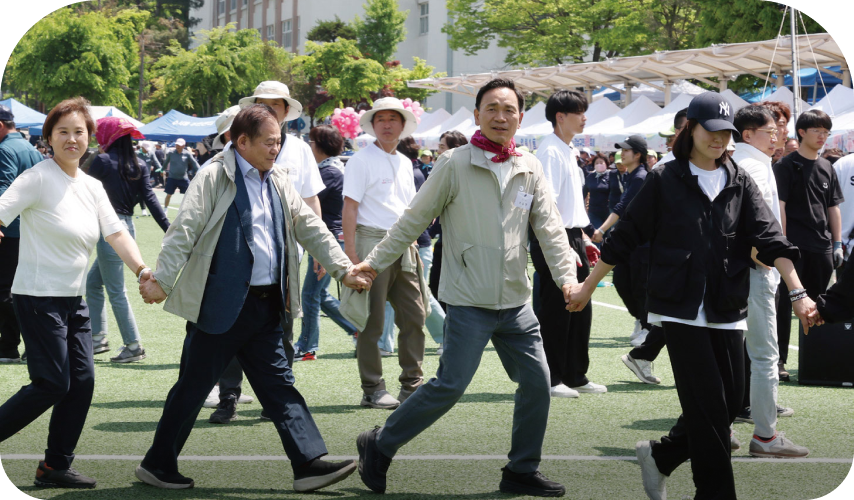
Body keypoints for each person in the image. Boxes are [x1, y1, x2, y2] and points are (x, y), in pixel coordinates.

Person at [568, 91, 816, 500]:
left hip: (727, 308)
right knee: (707, 407)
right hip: (680, 310)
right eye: (711, 131)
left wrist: (799, 293)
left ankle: (662, 456)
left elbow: (772, 239)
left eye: (726, 133)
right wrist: (588, 286)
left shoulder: (738, 178)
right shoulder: (666, 178)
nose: (719, 140)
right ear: (692, 130)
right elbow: (626, 236)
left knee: (727, 403)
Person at [351, 78, 580, 497]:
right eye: (491, 108)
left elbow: (550, 229)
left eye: (509, 109)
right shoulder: (455, 162)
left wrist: (567, 279)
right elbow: (413, 220)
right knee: (450, 385)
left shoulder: (529, 166)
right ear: (476, 115)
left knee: (537, 382)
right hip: (468, 299)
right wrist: (372, 262)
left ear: (520, 118)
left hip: (515, 301)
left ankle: (521, 469)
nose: (500, 116)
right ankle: (380, 444)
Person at [135, 104, 369, 492]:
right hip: (220, 305)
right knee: (192, 387)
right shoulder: (213, 176)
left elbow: (309, 227)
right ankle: (158, 465)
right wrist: (161, 279)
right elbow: (184, 229)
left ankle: (309, 463)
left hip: (267, 304)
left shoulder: (277, 179)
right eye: (268, 142)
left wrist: (344, 267)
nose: (275, 149)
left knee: (279, 384)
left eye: (279, 142)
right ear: (241, 142)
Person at [0, 97, 149, 488]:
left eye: (78, 132)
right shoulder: (37, 177)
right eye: (62, 131)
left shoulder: (93, 187)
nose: (71, 139)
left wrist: (142, 270)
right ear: (48, 137)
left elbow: (115, 232)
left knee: (81, 382)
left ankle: (54, 467)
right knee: (52, 383)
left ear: (90, 138)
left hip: (73, 300)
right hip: (36, 297)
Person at [207, 83, 327, 421]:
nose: (272, 110)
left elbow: (310, 199)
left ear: (287, 112)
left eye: (278, 105)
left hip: (286, 256)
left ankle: (276, 398)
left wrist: (320, 251)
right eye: (265, 104)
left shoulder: (300, 150)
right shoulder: (237, 145)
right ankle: (228, 396)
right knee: (229, 322)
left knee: (283, 327)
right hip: (237, 255)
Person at [730, 105, 808, 458]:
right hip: (754, 272)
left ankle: (722, 426)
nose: (777, 134)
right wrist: (767, 263)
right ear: (748, 134)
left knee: (729, 353)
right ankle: (765, 435)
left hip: (737, 271)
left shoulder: (741, 161)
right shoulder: (754, 166)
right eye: (769, 130)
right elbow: (754, 228)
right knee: (763, 356)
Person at [341, 97, 428, 410]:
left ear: (403, 125)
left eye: (394, 119)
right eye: (382, 119)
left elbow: (408, 209)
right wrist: (351, 256)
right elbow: (349, 208)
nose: (388, 124)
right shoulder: (361, 160)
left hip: (404, 244)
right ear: (373, 125)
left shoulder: (405, 162)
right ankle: (373, 388)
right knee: (371, 322)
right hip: (370, 243)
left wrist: (413, 243)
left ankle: (412, 384)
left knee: (415, 317)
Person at [532, 90, 603, 399]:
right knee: (556, 310)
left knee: (580, 307)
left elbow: (571, 204)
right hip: (554, 236)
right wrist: (565, 243)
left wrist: (583, 238)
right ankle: (551, 378)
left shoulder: (567, 150)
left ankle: (575, 374)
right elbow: (546, 206)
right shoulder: (549, 151)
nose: (584, 117)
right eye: (579, 111)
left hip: (571, 235)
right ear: (560, 117)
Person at [85, 118, 170, 363]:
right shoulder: (140, 164)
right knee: (93, 283)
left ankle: (133, 345)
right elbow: (151, 201)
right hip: (127, 227)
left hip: (109, 230)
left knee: (116, 290)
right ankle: (98, 337)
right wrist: (169, 229)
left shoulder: (101, 161)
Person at [773, 109, 844, 382]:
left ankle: (813, 361)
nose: (822, 137)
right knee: (782, 308)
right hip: (793, 250)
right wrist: (782, 245)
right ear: (801, 132)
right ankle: (779, 361)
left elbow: (832, 208)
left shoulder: (827, 166)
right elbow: (781, 207)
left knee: (816, 307)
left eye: (826, 132)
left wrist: (836, 243)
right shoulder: (786, 166)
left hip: (822, 248)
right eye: (817, 131)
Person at [293, 125, 359, 360]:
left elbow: (303, 200)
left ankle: (307, 347)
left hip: (326, 239)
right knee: (318, 294)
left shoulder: (328, 173)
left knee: (310, 294)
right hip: (330, 238)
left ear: (320, 145)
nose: (308, 146)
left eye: (311, 142)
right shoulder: (331, 169)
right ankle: (356, 329)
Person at [594, 135, 653, 349]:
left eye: (627, 150)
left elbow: (622, 207)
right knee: (621, 281)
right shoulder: (630, 175)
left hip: (642, 242)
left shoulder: (640, 176)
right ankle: (640, 319)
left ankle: (647, 327)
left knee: (640, 286)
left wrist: (601, 229)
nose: (622, 153)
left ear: (638, 154)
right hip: (631, 241)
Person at [0, 104, 44, 363]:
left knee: (6, 290)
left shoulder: (5, 149)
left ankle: (11, 346)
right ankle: (20, 346)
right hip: (30, 230)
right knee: (24, 289)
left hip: (9, 230)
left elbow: (3, 187)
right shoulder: (31, 149)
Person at [429, 130, 469, 315]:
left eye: (442, 148)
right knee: (436, 288)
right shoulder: (440, 170)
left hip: (462, 246)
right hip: (444, 241)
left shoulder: (466, 176)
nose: (438, 152)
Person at [162, 138, 199, 209]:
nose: (177, 146)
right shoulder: (171, 153)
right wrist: (162, 170)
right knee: (169, 194)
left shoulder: (187, 154)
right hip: (172, 178)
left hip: (183, 178)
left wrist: (199, 170)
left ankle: (189, 209)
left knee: (189, 194)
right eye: (176, 144)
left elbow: (194, 163)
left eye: (179, 145)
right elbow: (165, 163)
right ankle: (165, 210)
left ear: (183, 146)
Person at [584, 153, 612, 233]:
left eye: (601, 162)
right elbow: (584, 192)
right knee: (596, 235)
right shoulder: (590, 177)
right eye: (596, 163)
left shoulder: (611, 175)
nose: (599, 164)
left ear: (606, 164)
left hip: (608, 212)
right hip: (594, 212)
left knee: (608, 236)